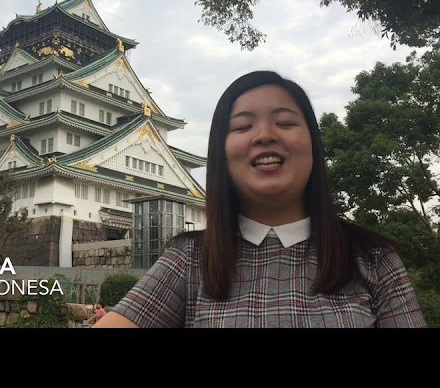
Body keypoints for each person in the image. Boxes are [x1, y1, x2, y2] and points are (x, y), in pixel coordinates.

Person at [95, 71, 426, 328]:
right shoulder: (190, 260)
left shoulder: (372, 260)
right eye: (242, 127)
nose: (266, 134)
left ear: (313, 144)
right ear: (221, 155)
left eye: (284, 122)